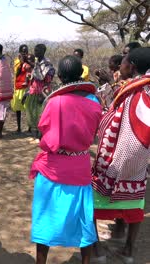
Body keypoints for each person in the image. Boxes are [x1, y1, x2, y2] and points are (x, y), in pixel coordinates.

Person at [30, 55, 102, 264]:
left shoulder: (55, 101)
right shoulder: (94, 101)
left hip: (53, 167)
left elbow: (45, 132)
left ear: (60, 76)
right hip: (80, 166)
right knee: (84, 219)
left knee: (45, 217)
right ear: (81, 74)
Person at [92, 48, 150, 263]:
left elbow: (112, 110)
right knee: (135, 204)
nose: (120, 67)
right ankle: (129, 251)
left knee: (93, 201)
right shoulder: (144, 88)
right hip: (140, 159)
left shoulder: (131, 89)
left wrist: (110, 82)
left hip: (117, 157)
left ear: (132, 66)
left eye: (123, 63)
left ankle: (97, 251)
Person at [24, 44, 55, 138]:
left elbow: (46, 78)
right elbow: (34, 77)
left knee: (41, 114)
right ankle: (36, 135)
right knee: (33, 113)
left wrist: (43, 94)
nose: (35, 52)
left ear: (43, 51)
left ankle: (41, 136)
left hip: (42, 93)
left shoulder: (47, 63)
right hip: (34, 91)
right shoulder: (37, 62)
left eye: (37, 50)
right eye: (35, 50)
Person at [11, 44, 29, 133]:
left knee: (28, 108)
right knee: (18, 109)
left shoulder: (31, 60)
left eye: (26, 51)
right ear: (20, 52)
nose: (25, 53)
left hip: (28, 88)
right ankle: (19, 127)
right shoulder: (17, 61)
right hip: (18, 87)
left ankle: (30, 127)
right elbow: (17, 74)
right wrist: (21, 63)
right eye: (23, 51)